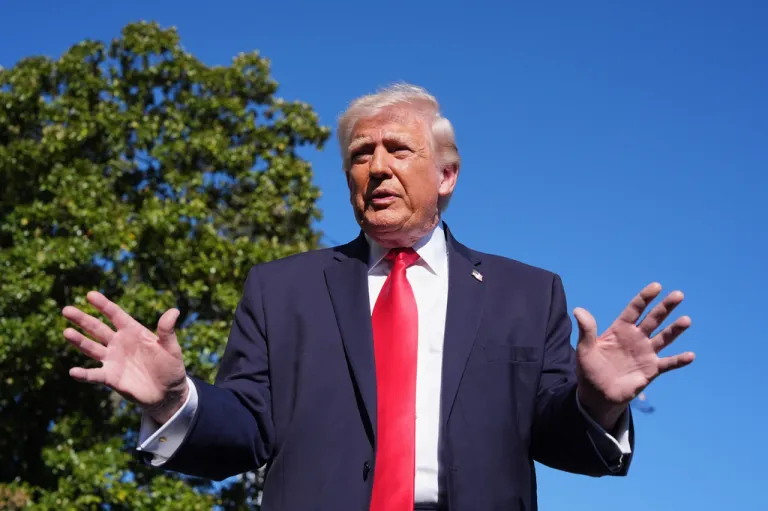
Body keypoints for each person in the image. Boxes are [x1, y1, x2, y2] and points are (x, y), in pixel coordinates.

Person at [62, 83, 694, 511]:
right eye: (360, 155)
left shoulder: (527, 293)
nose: (377, 166)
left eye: (398, 149)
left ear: (446, 175)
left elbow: (558, 439)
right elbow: (247, 432)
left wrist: (595, 402)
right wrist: (177, 398)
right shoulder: (282, 290)